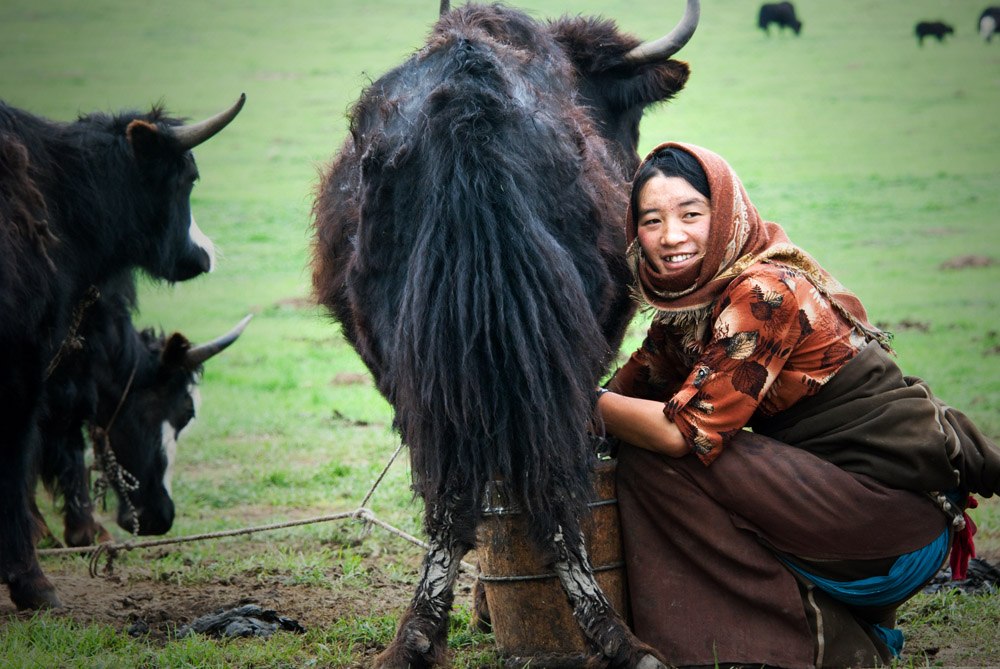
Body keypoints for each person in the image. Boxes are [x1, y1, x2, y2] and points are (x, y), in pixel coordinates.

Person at [595, 142, 1000, 668]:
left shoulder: (765, 292)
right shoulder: (686, 319)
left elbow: (681, 431)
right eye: (651, 220)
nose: (671, 237)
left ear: (725, 216)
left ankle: (824, 643)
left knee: (659, 455)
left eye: (691, 214)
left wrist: (582, 402)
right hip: (848, 517)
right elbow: (627, 393)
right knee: (640, 441)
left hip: (896, 532)